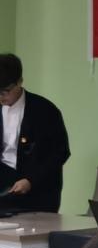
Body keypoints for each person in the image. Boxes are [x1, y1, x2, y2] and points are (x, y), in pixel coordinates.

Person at [0, 53, 70, 212]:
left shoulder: (45, 110)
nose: (0, 98)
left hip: (37, 191)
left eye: (5, 92)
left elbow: (60, 152)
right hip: (4, 189)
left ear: (19, 82)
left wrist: (31, 180)